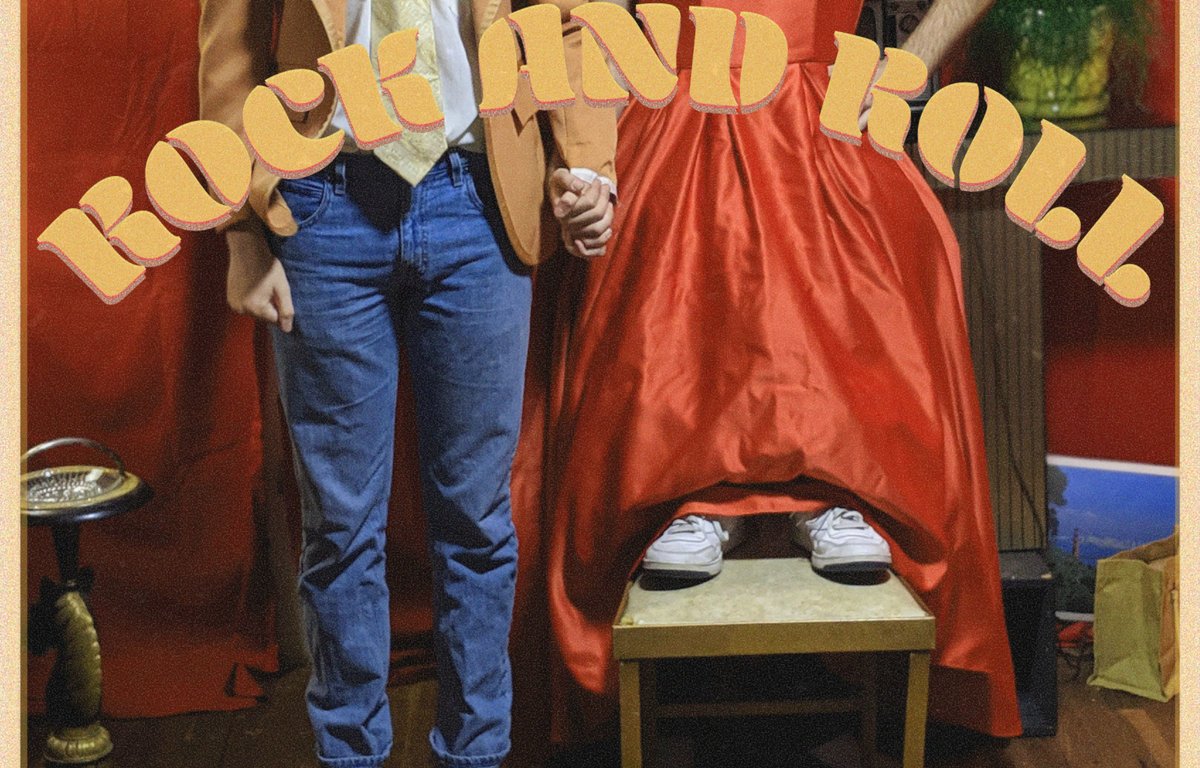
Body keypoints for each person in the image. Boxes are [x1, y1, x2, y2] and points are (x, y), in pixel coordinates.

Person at [526, 0, 1024, 742]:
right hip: (671, 104)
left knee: (870, 282)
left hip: (822, 102)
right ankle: (695, 503)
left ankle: (829, 498)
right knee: (667, 282)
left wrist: (907, 67)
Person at [197, 1, 616, 766]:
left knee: (476, 519)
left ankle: (475, 753)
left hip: (478, 198)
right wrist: (241, 232)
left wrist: (586, 163)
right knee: (339, 525)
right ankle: (350, 754)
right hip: (322, 203)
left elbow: (572, 20)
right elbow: (232, 53)